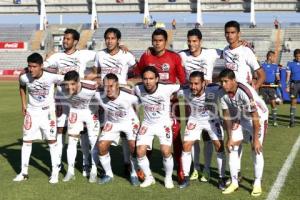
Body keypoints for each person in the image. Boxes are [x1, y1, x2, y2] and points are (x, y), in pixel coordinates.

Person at [133, 28, 186, 183]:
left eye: (160, 40)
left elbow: (182, 81)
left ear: (166, 42)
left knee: (175, 138)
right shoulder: (146, 56)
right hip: (151, 104)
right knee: (146, 137)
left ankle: (181, 170)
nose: (157, 43)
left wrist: (175, 94)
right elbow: (137, 74)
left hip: (172, 105)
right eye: (155, 41)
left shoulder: (174, 57)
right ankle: (144, 171)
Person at [44, 28, 97, 177]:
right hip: (61, 98)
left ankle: (86, 164)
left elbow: (101, 57)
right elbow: (43, 67)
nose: (64, 41)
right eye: (64, 38)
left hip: (78, 100)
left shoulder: (83, 54)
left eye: (68, 39)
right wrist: (54, 70)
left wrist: (92, 74)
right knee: (61, 131)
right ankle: (58, 163)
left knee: (82, 132)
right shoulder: (57, 56)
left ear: (75, 41)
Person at [179, 28, 223, 182]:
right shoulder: (182, 55)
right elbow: (168, 59)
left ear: (200, 41)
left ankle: (206, 169)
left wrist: (242, 44)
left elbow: (230, 53)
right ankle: (196, 168)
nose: (191, 44)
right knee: (193, 137)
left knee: (207, 136)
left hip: (209, 95)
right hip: (190, 96)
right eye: (189, 41)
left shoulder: (211, 53)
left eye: (194, 41)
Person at [14, 53, 63, 184]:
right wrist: (23, 104)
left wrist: (58, 102)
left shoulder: (52, 76)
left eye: (34, 66)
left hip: (48, 112)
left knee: (52, 141)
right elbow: (22, 86)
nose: (31, 69)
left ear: (41, 66)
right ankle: (23, 173)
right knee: (26, 141)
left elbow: (64, 83)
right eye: (29, 66)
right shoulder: (24, 77)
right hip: (32, 112)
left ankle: (54, 172)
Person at [94, 27, 137, 175]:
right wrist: (99, 81)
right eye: (107, 38)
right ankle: (106, 168)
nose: (109, 41)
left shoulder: (126, 55)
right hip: (106, 98)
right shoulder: (99, 55)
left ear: (118, 40)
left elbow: (137, 70)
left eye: (112, 38)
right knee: (105, 130)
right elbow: (96, 73)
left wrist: (128, 82)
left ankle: (128, 163)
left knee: (128, 133)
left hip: (124, 96)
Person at [219, 69, 268, 197]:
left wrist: (256, 140)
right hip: (242, 116)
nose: (223, 85)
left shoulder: (245, 93)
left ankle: (257, 182)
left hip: (259, 117)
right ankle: (234, 182)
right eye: (221, 82)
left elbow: (256, 118)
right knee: (231, 147)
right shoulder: (222, 94)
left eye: (226, 81)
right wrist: (229, 138)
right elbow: (227, 117)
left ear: (233, 81)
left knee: (255, 149)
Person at [134, 66, 181, 188]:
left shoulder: (166, 88)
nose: (148, 81)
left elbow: (183, 85)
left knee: (166, 151)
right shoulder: (138, 88)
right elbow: (128, 86)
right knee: (140, 152)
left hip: (163, 124)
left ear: (157, 79)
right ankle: (149, 178)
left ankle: (168, 178)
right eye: (145, 79)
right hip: (147, 124)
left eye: (151, 78)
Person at [178, 71, 226, 190]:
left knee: (219, 146)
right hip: (194, 120)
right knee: (186, 145)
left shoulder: (214, 89)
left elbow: (229, 87)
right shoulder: (184, 90)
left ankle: (221, 178)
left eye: (196, 84)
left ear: (204, 83)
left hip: (212, 120)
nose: (193, 87)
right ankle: (185, 177)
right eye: (191, 83)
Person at [95, 73, 140, 186]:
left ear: (117, 85)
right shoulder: (99, 95)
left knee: (133, 147)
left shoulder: (129, 97)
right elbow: (82, 86)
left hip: (129, 122)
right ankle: (109, 174)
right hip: (112, 123)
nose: (108, 89)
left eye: (111, 86)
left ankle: (134, 174)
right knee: (101, 146)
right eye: (105, 86)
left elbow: (145, 100)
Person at [61, 70, 100, 183]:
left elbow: (104, 84)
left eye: (73, 84)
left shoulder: (91, 87)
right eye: (67, 84)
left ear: (78, 82)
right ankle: (70, 171)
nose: (69, 87)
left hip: (90, 113)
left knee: (93, 141)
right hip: (75, 112)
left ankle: (93, 170)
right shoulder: (62, 88)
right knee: (72, 141)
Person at [223, 20, 265, 90]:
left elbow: (262, 75)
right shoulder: (225, 50)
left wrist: (252, 90)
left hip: (243, 89)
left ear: (239, 34)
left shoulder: (246, 51)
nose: (229, 35)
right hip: (229, 92)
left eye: (232, 32)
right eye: (227, 33)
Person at [259, 51, 280, 126]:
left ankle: (274, 121)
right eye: (274, 57)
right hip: (263, 87)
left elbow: (277, 76)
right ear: (269, 57)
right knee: (262, 104)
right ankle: (263, 120)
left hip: (272, 87)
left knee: (273, 103)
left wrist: (278, 81)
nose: (275, 58)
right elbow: (258, 74)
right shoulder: (262, 65)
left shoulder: (275, 66)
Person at [286, 48, 300, 127]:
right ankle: (292, 120)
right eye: (297, 56)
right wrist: (287, 86)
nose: (298, 58)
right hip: (294, 84)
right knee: (293, 102)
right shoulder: (290, 63)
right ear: (294, 56)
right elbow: (288, 76)